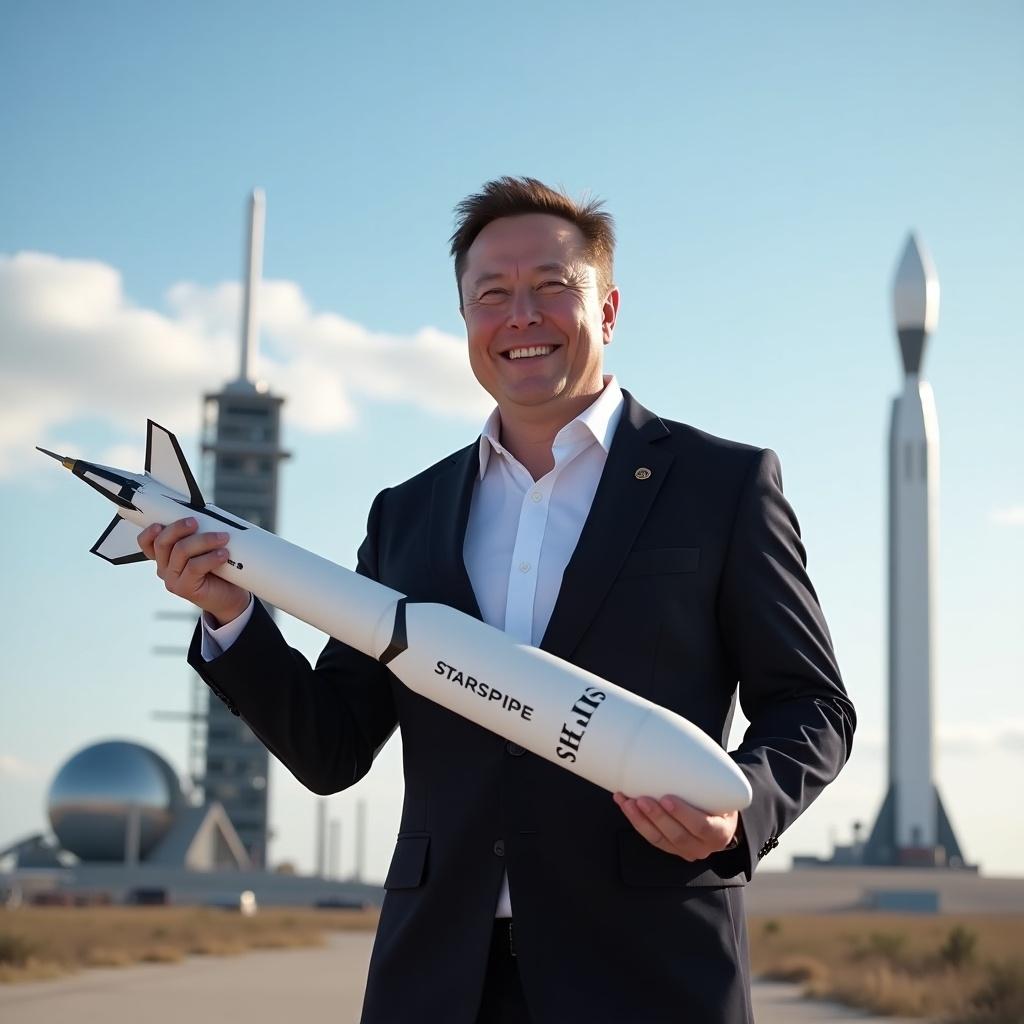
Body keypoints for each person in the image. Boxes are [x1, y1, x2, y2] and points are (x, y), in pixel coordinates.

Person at [139, 177, 855, 1024]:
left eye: (553, 287)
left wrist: (736, 810)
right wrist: (232, 616)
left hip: (650, 973)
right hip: (438, 978)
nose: (521, 315)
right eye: (492, 295)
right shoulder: (407, 512)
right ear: (467, 324)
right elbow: (332, 748)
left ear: (609, 308)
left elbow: (812, 705)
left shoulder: (723, 485)